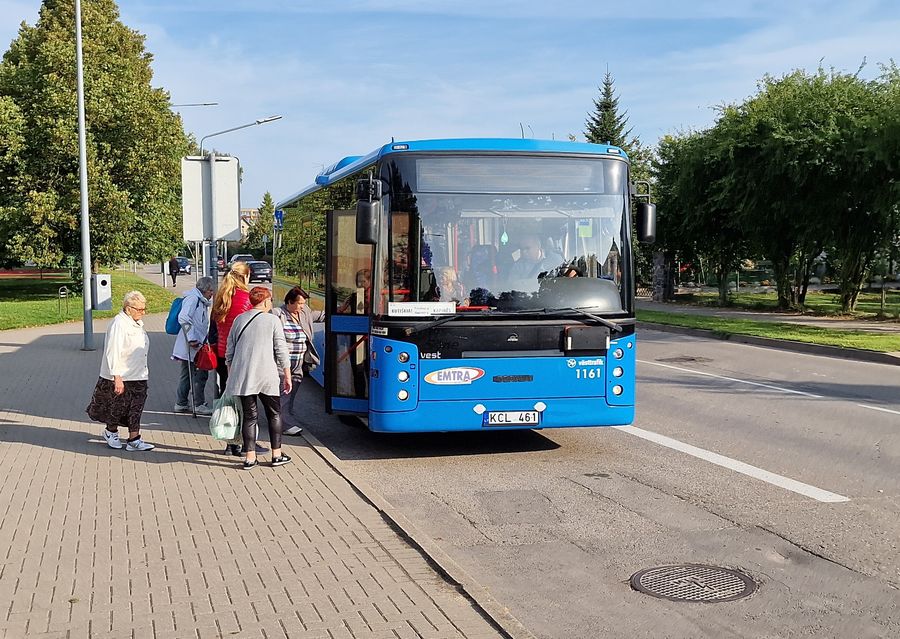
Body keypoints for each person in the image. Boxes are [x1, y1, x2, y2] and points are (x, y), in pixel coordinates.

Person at [226, 287, 292, 470]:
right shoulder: (272, 320)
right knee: (275, 414)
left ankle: (249, 458)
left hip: (244, 378)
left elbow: (229, 352)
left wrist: (232, 374)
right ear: (264, 301)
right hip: (266, 376)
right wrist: (287, 374)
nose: (271, 303)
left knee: (249, 417)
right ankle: (276, 455)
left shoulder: (239, 319)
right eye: (270, 300)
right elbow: (281, 349)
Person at [86, 291, 155, 452]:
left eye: (144, 309)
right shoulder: (119, 323)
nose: (143, 313)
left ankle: (134, 439)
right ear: (128, 308)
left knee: (136, 407)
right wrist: (116, 377)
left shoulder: (137, 323)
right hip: (121, 375)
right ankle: (111, 432)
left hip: (139, 374)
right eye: (139, 309)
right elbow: (113, 351)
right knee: (117, 407)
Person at [211, 262, 253, 455]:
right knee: (245, 400)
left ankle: (230, 442)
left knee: (227, 397)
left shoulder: (221, 298)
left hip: (222, 355)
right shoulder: (246, 299)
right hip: (240, 356)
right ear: (244, 277)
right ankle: (246, 443)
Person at [271, 286, 324, 436]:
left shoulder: (304, 313)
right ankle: (283, 424)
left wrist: (343, 309)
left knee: (292, 392)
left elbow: (321, 316)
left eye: (303, 303)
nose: (302, 307)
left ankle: (283, 416)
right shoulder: (277, 314)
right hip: (282, 363)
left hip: (299, 362)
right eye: (300, 303)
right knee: (284, 393)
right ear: (289, 302)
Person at [172, 276, 215, 415]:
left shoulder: (198, 300)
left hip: (194, 343)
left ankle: (181, 403)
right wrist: (191, 338)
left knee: (187, 373)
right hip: (193, 344)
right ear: (205, 290)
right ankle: (198, 404)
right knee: (200, 374)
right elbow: (183, 317)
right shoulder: (194, 299)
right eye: (210, 291)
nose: (212, 294)